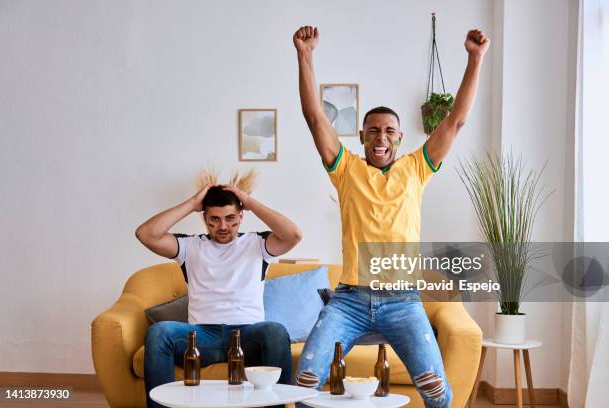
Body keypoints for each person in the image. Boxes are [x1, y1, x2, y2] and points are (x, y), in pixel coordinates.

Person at [291, 25, 490, 407]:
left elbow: (456, 121)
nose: (381, 137)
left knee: (436, 391)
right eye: (373, 131)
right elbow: (315, 118)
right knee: (305, 382)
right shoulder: (345, 169)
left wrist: (475, 59)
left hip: (403, 302)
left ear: (399, 139)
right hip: (349, 301)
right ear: (362, 136)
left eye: (389, 131)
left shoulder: (417, 168)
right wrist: (305, 54)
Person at [136, 179, 302, 408]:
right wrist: (193, 203)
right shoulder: (189, 247)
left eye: (230, 218)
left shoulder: (258, 244)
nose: (223, 226)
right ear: (204, 218)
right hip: (202, 336)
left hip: (247, 336)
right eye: (214, 219)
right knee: (158, 332)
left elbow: (293, 235)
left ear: (241, 216)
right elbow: (146, 234)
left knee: (275, 331)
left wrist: (250, 202)